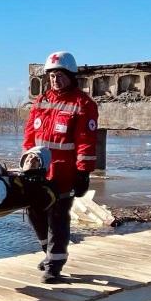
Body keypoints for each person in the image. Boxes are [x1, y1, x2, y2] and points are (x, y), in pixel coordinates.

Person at [22, 51, 98, 283]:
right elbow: (30, 134)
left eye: (60, 75)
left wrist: (83, 171)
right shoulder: (41, 100)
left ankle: (55, 264)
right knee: (33, 211)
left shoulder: (83, 104)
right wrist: (26, 160)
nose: (55, 80)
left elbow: (86, 139)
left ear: (71, 76)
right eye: (52, 76)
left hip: (64, 171)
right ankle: (48, 252)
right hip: (38, 169)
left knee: (57, 215)